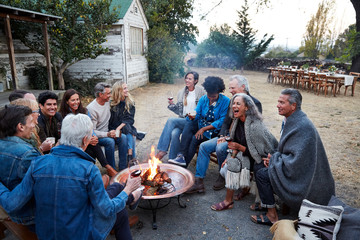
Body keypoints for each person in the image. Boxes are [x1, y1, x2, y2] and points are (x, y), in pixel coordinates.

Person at [0, 114, 142, 240]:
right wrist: (128, 189)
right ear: (86, 139)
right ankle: (131, 197)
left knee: (116, 188)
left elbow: (12, 204)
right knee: (120, 210)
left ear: (62, 135)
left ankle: (127, 195)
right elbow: (107, 210)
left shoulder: (38, 163)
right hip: (80, 234)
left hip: (45, 234)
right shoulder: (88, 170)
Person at [250, 88, 335, 226]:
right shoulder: (292, 119)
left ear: (293, 106)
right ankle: (266, 203)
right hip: (291, 165)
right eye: (278, 101)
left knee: (262, 174)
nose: (277, 105)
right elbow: (288, 150)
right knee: (259, 164)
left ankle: (272, 216)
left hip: (303, 177)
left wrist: (273, 160)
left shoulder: (302, 125)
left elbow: (297, 162)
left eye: (282, 102)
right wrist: (274, 157)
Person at [186, 75, 263, 193]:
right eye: (230, 88)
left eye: (232, 88)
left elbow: (255, 129)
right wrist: (222, 135)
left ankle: (222, 175)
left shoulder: (255, 103)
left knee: (220, 147)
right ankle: (199, 181)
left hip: (243, 142)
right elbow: (226, 121)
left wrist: (235, 143)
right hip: (228, 136)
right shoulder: (233, 100)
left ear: (243, 87)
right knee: (204, 146)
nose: (230, 90)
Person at [208, 93, 277, 211]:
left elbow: (261, 154)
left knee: (250, 167)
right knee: (232, 163)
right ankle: (228, 201)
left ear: (247, 107)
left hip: (262, 158)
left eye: (238, 104)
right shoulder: (236, 121)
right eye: (233, 103)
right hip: (245, 154)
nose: (234, 106)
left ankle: (262, 202)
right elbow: (235, 144)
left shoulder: (255, 126)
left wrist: (240, 147)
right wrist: (229, 157)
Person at [168, 76, 230, 167]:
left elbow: (221, 121)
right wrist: (191, 117)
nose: (211, 98)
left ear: (219, 92)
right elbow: (197, 112)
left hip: (213, 131)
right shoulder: (204, 99)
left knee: (194, 138)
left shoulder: (225, 101)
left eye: (214, 96)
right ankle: (181, 156)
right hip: (201, 126)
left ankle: (183, 166)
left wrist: (203, 129)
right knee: (189, 123)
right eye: (209, 95)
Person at [59, 89, 118, 177]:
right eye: (73, 100)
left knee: (94, 144)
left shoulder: (84, 111)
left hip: (86, 141)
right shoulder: (62, 115)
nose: (76, 102)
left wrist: (92, 137)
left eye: (77, 99)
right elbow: (68, 136)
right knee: (92, 146)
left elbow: (90, 128)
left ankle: (101, 169)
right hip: (72, 143)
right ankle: (107, 167)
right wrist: (87, 140)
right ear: (67, 102)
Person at [0, 105, 42, 227]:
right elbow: (41, 187)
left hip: (9, 209)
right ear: (21, 126)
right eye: (31, 121)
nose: (34, 125)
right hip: (29, 216)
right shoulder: (27, 154)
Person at [155, 72, 206, 160]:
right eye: (186, 78)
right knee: (174, 133)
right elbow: (179, 111)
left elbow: (206, 106)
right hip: (183, 120)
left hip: (194, 121)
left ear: (195, 81)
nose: (187, 80)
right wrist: (172, 105)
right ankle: (173, 159)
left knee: (171, 120)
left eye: (190, 79)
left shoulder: (201, 91)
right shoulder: (181, 92)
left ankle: (162, 150)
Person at [87, 82, 128, 170]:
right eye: (108, 93)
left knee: (123, 137)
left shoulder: (107, 102)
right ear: (101, 94)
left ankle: (123, 168)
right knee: (110, 141)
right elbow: (92, 131)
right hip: (98, 136)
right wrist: (108, 134)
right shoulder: (91, 109)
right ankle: (111, 169)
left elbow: (120, 100)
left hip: (109, 131)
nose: (110, 95)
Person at [109, 81, 144, 161]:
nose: (127, 90)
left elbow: (130, 119)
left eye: (127, 88)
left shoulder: (130, 103)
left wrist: (119, 127)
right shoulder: (111, 104)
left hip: (125, 127)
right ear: (118, 90)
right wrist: (117, 129)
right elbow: (111, 121)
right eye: (124, 88)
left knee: (127, 127)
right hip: (114, 128)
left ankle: (130, 155)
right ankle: (131, 157)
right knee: (129, 131)